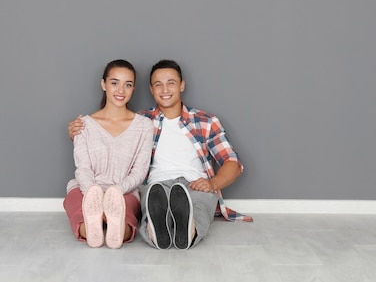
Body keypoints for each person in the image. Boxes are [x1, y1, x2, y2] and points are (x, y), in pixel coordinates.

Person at [68, 59, 251, 250]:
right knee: (152, 204)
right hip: (157, 186)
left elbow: (233, 163)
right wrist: (77, 131)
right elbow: (111, 138)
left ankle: (189, 231)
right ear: (151, 89)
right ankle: (157, 231)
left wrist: (212, 184)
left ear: (181, 85)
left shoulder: (206, 121)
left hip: (194, 183)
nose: (165, 89)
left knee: (198, 207)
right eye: (158, 84)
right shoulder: (140, 122)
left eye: (171, 82)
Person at [63, 59, 154, 249]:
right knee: (81, 217)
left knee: (125, 225)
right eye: (115, 83)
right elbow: (83, 168)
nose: (121, 90)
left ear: (133, 89)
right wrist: (93, 194)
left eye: (127, 85)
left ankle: (114, 229)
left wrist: (116, 192)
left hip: (124, 191)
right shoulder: (83, 125)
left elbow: (139, 172)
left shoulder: (144, 126)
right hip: (85, 189)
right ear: (103, 84)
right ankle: (93, 227)